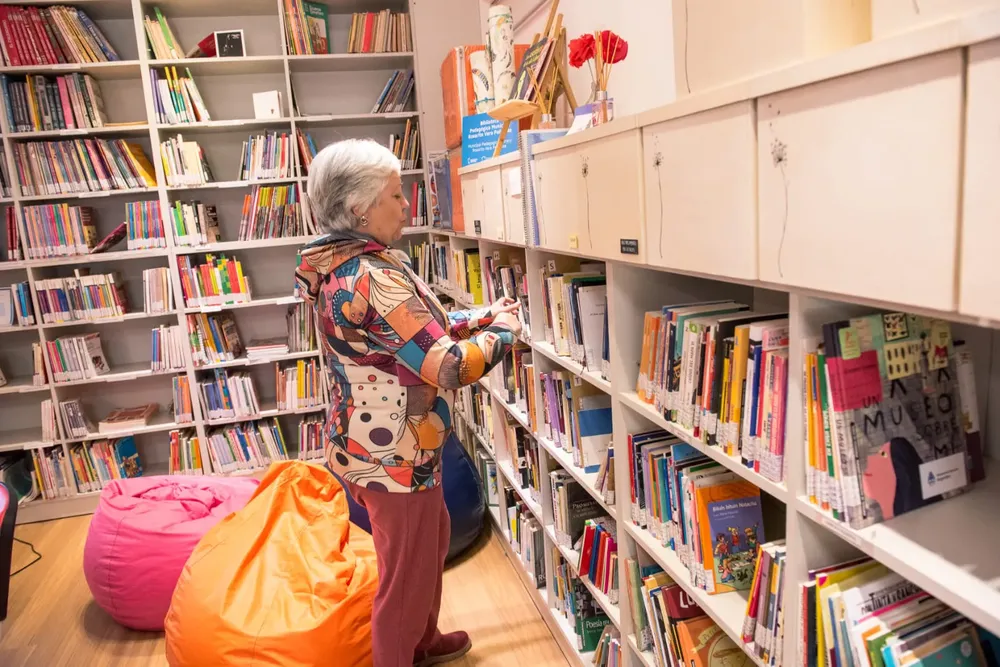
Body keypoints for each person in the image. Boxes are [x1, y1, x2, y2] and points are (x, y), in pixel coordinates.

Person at [294, 139, 521, 667]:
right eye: (396, 195)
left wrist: (481, 316)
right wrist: (506, 334)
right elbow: (446, 366)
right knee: (404, 575)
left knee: (431, 541)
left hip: (390, 445)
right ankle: (402, 649)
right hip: (391, 455)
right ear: (359, 208)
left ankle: (422, 641)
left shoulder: (348, 264)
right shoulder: (371, 277)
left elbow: (417, 335)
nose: (407, 206)